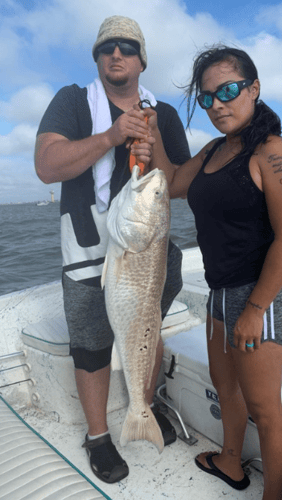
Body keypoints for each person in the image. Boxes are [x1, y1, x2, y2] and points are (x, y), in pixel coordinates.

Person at [34, 16, 190, 484]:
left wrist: (153, 140)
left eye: (126, 47)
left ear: (142, 59)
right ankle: (99, 436)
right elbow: (45, 165)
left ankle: (145, 406)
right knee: (90, 344)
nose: (115, 54)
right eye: (107, 48)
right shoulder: (72, 101)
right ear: (98, 59)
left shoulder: (163, 114)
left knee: (147, 329)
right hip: (87, 248)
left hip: (146, 245)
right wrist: (110, 137)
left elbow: (175, 182)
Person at [146, 46, 282, 500]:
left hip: (260, 298)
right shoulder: (216, 149)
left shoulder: (273, 152)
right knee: (225, 388)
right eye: (207, 97)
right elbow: (174, 183)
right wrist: (154, 130)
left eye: (229, 91)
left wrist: (255, 310)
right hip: (219, 294)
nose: (217, 104)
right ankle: (231, 462)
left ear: (254, 89)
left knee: (264, 409)